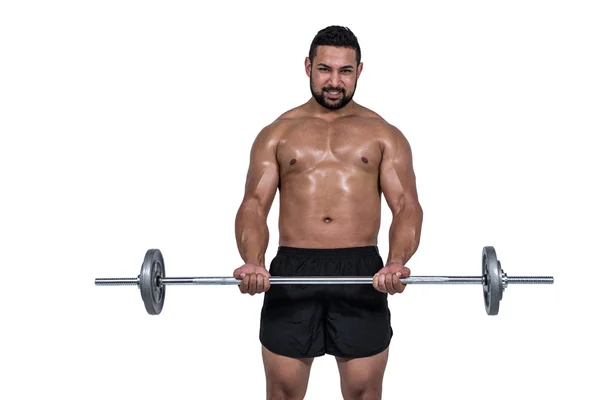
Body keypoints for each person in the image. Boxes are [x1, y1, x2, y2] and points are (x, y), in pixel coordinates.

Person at [233, 25, 423, 400]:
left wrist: (397, 261)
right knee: (283, 393)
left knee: (364, 393)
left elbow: (406, 206)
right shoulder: (276, 133)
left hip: (363, 271)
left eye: (345, 71)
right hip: (292, 269)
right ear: (308, 66)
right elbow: (254, 205)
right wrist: (254, 261)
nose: (334, 81)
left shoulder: (383, 134)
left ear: (359, 71)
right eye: (325, 69)